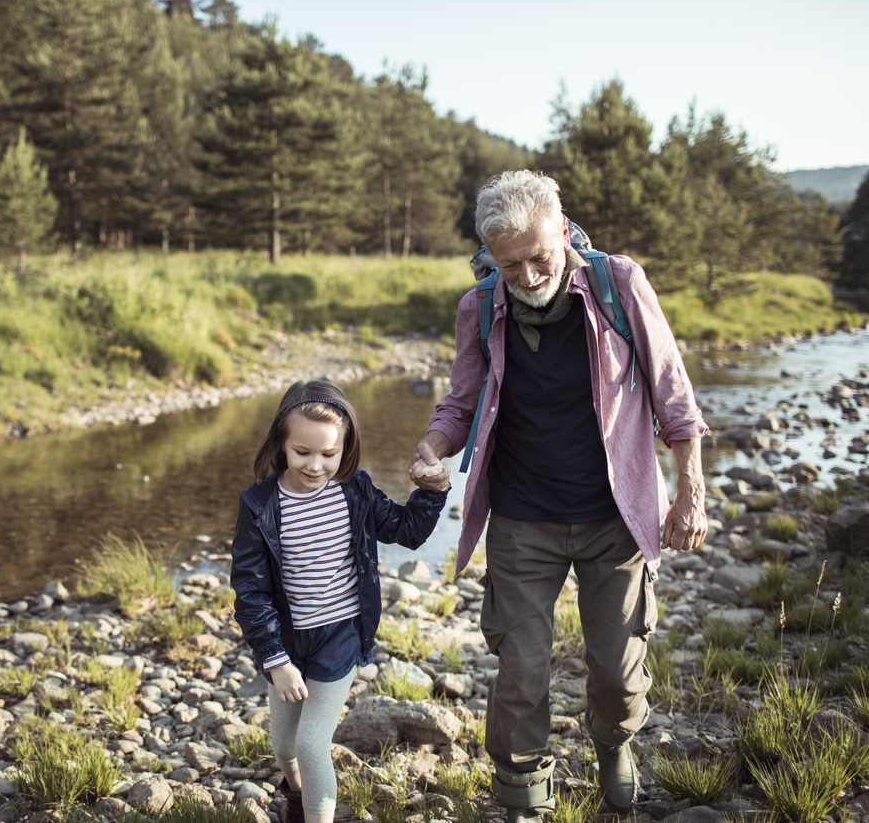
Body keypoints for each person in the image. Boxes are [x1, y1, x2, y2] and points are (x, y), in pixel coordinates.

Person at [409, 171, 708, 821]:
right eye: (506, 263)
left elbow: (672, 390)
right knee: (519, 669)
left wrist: (691, 490)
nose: (525, 273)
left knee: (617, 674)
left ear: (561, 226)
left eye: (538, 256)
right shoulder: (481, 305)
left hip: (615, 517)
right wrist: (434, 447)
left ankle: (614, 742)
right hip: (522, 518)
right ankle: (523, 799)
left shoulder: (618, 283)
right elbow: (461, 399)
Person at [232, 380, 451, 823]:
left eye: (329, 455)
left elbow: (407, 532)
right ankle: (296, 795)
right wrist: (275, 658)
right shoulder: (260, 505)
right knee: (284, 746)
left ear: (346, 449)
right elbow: (251, 591)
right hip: (288, 641)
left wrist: (432, 492)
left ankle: (316, 813)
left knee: (313, 745)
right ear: (282, 444)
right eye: (303, 453)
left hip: (340, 636)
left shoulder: (355, 491)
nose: (316, 466)